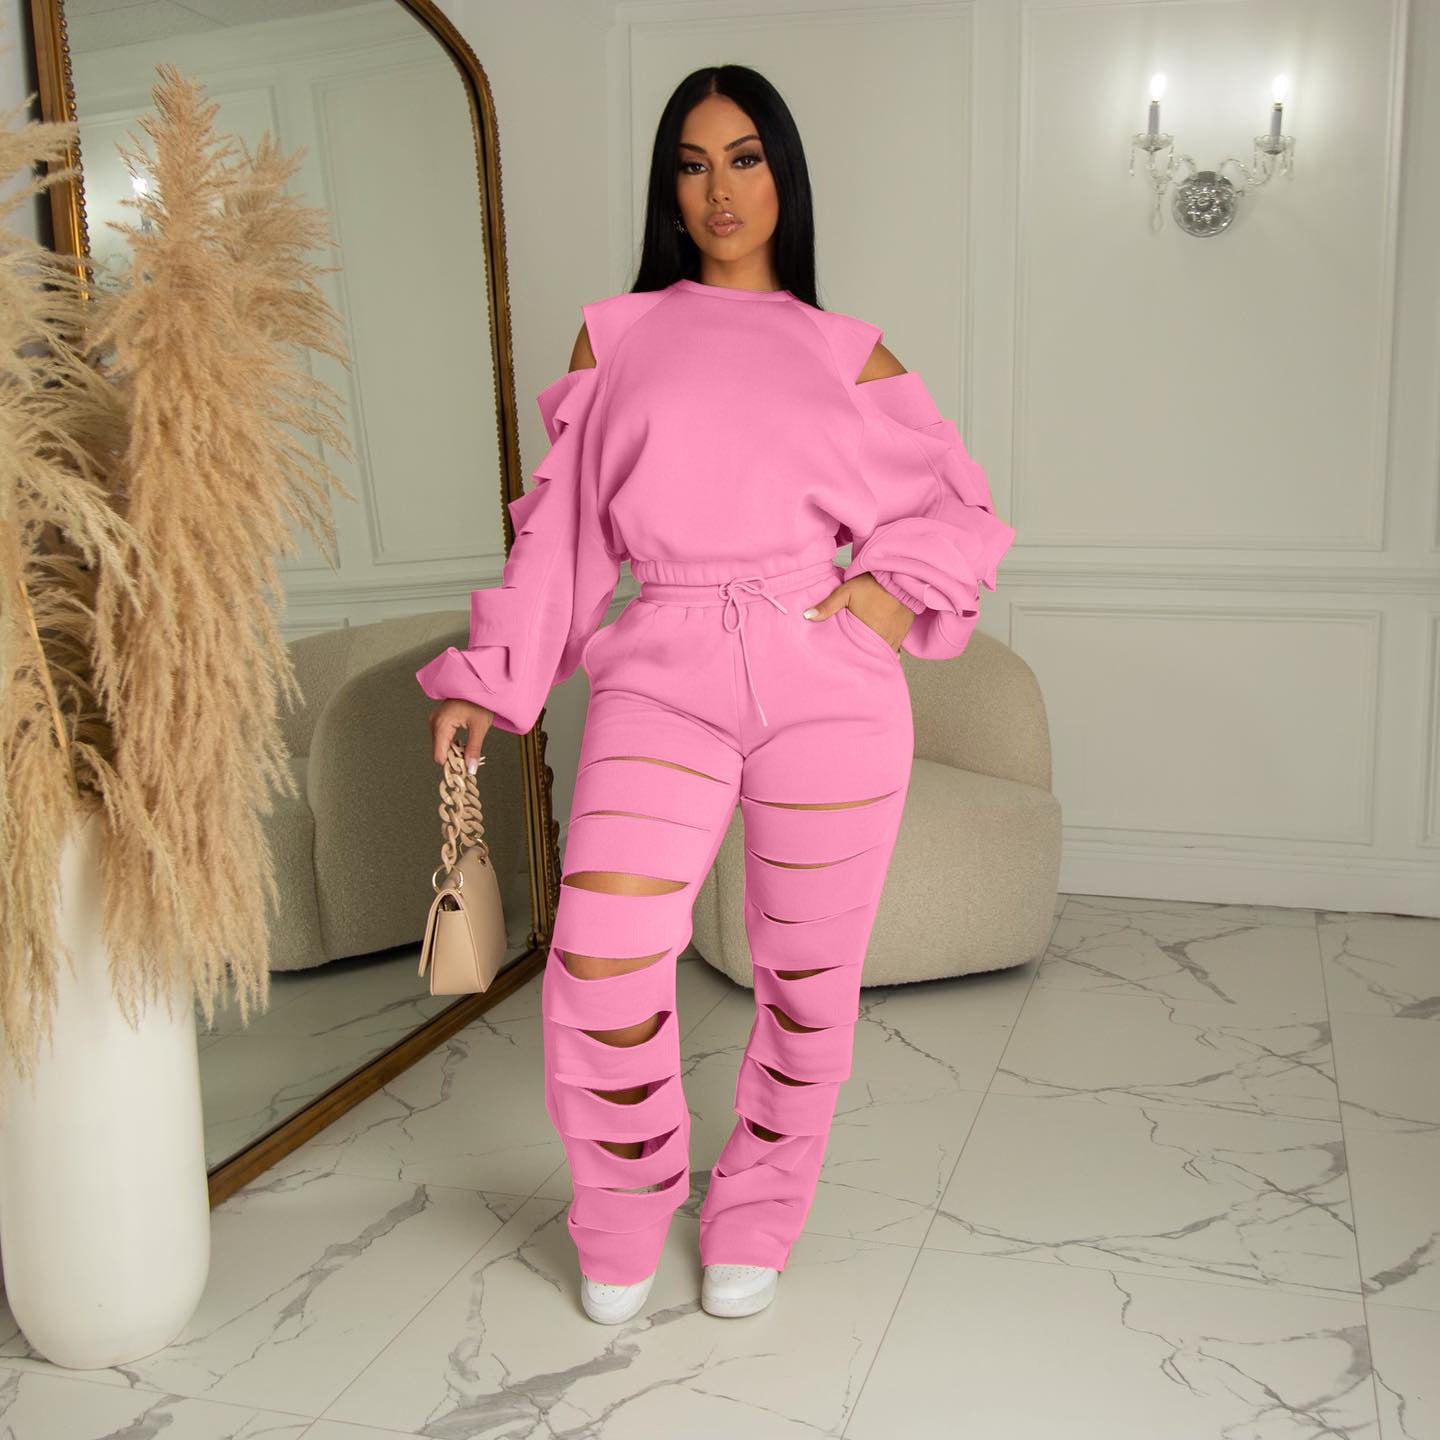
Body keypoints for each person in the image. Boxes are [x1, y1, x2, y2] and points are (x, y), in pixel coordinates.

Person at [417, 64, 1016, 1326]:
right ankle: (626, 1207)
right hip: (663, 667)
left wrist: (885, 594)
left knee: (809, 983)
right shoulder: (617, 336)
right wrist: (493, 677)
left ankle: (758, 1208)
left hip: (829, 683)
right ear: (668, 189)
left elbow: (957, 504)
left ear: (784, 174)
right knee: (603, 955)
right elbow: (561, 538)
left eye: (745, 158)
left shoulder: (849, 350)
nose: (720, 189)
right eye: (692, 165)